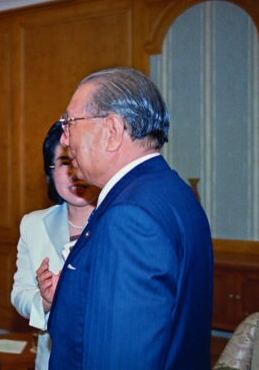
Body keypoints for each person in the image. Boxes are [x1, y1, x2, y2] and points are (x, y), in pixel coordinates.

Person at [48, 67, 213, 369]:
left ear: (112, 130)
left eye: (69, 123)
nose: (65, 139)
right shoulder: (176, 192)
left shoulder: (129, 217)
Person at [11, 121, 98, 370]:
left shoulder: (117, 223)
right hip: (51, 359)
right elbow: (19, 294)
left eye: (81, 159)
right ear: (50, 173)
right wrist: (46, 300)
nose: (75, 172)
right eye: (64, 162)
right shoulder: (33, 224)